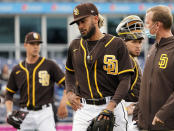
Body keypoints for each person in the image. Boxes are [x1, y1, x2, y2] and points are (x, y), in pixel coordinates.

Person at [65, 2, 133, 131]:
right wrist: (69, 92)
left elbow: (125, 80)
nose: (80, 26)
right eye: (78, 23)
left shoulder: (116, 44)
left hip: (112, 105)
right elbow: (69, 72)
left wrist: (111, 106)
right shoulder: (75, 45)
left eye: (83, 21)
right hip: (84, 108)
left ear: (95, 18)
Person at [136, 5, 174, 130]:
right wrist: (138, 113)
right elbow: (146, 85)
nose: (145, 27)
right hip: (153, 126)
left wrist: (163, 113)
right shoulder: (153, 49)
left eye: (147, 23)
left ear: (157, 25)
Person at [5, 32, 67, 131]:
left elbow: (67, 84)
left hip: (45, 113)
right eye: (32, 43)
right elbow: (9, 94)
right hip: (24, 114)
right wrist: (9, 113)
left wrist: (63, 103)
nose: (36, 47)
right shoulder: (17, 69)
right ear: (25, 45)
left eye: (38, 44)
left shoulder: (49, 65)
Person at [116, 15, 145, 131]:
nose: (138, 46)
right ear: (124, 42)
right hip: (126, 116)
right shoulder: (124, 60)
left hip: (134, 114)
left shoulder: (131, 58)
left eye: (140, 42)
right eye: (134, 42)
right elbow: (113, 89)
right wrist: (123, 107)